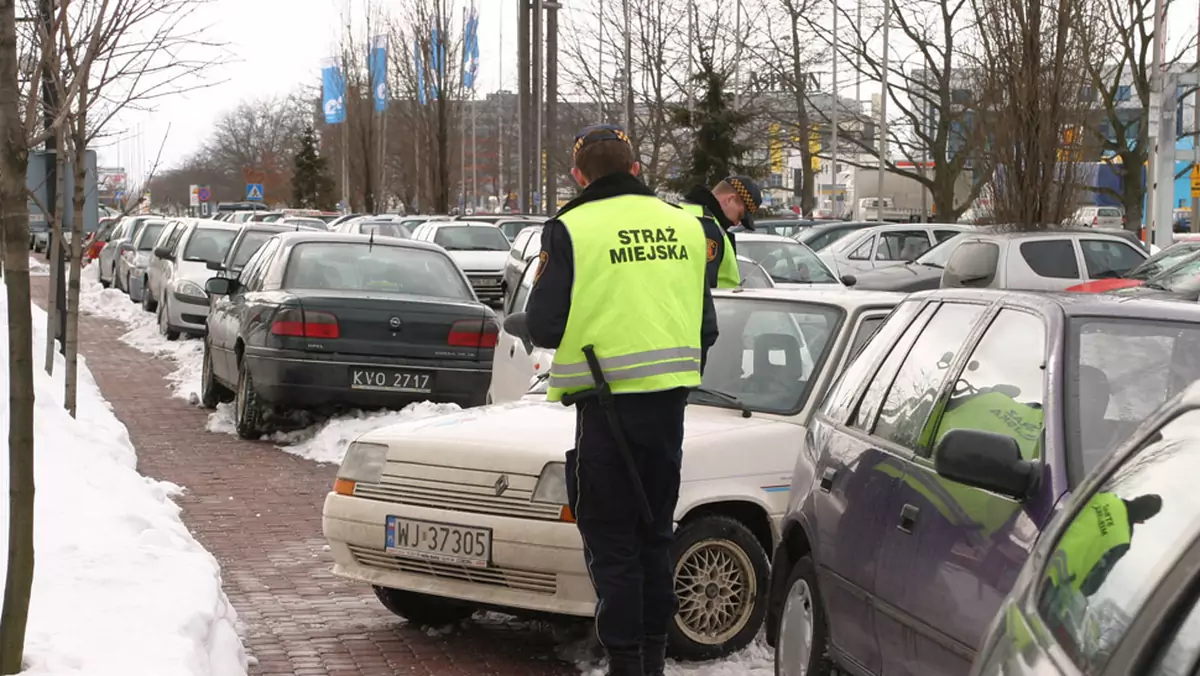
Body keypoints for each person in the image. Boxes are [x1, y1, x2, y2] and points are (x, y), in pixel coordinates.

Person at [525, 123, 717, 676]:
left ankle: (627, 664)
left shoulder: (570, 228)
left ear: (578, 176)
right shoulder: (686, 226)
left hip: (607, 409)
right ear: (636, 169)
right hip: (669, 410)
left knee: (612, 543)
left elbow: (543, 324)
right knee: (656, 536)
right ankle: (652, 658)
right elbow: (705, 324)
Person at [680, 176, 764, 289]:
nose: (736, 223)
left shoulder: (679, 211)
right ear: (729, 199)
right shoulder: (708, 228)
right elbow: (704, 288)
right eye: (740, 216)